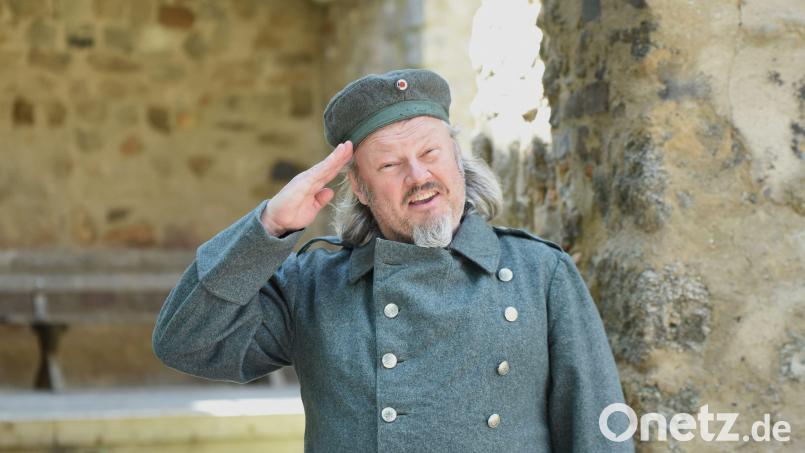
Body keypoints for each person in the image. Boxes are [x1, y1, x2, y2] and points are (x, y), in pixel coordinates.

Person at [153, 69, 635, 452]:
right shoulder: (314, 285)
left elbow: (598, 432)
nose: (419, 175)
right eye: (389, 165)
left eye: (431, 153)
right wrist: (268, 228)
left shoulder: (541, 274)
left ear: (457, 159)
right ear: (359, 188)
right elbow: (184, 342)